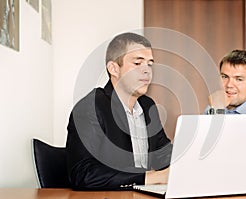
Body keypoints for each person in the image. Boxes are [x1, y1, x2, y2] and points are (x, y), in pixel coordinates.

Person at [66, 32, 172, 190]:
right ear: (114, 69)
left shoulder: (148, 106)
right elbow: (83, 174)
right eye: (138, 64)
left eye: (150, 64)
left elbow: (162, 156)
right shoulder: (90, 107)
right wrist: (148, 178)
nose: (147, 71)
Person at [206, 49, 246, 114]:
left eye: (239, 79)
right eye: (225, 77)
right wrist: (214, 110)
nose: (229, 85)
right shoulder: (217, 105)